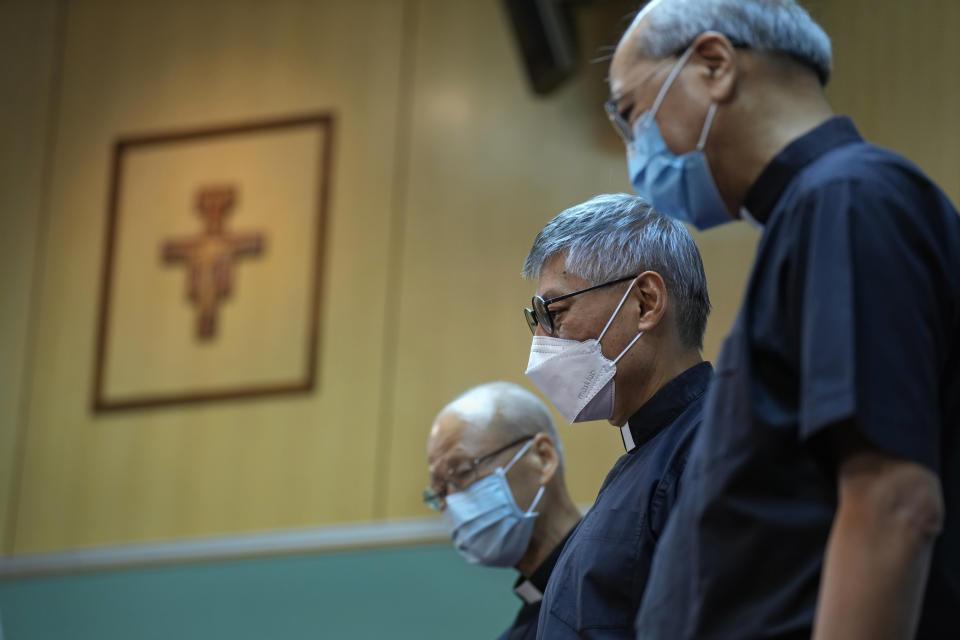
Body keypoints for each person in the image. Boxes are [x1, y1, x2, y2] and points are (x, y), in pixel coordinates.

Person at [605, 1, 960, 638]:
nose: (635, 150)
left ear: (713, 65)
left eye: (631, 114)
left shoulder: (847, 199)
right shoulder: (812, 216)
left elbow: (891, 500)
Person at [520, 193, 713, 638]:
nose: (543, 340)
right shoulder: (649, 457)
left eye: (556, 312)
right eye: (536, 319)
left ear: (645, 303)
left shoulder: (711, 450)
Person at [425, 382, 581, 640]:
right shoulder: (527, 625)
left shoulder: (624, 575)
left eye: (462, 472)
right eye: (440, 493)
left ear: (542, 459)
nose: (451, 503)